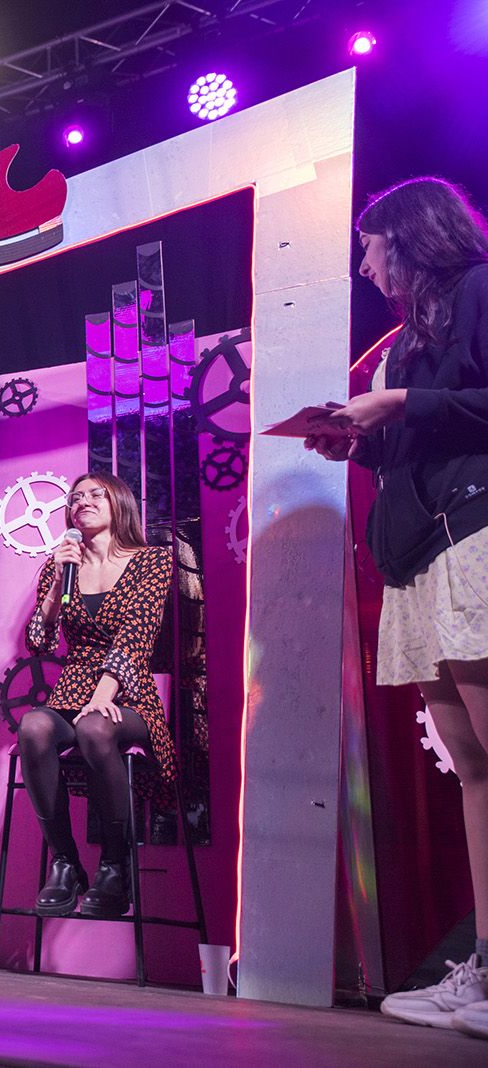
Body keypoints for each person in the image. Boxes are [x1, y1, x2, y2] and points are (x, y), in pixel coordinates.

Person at [305, 176, 488, 1037]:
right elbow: (415, 445)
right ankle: (485, 968)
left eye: (370, 244)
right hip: (422, 555)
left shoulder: (480, 292)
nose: (365, 264)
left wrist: (401, 403)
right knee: (473, 769)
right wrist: (360, 435)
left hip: (474, 536)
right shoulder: (407, 340)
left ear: (409, 237)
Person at [15, 473, 175, 920]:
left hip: (130, 693)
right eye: (75, 497)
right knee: (34, 725)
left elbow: (136, 636)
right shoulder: (59, 566)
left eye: (94, 494)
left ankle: (114, 866)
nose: (82, 501)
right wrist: (52, 589)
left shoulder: (152, 562)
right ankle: (65, 863)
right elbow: (39, 643)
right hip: (73, 690)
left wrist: (103, 696)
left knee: (94, 725)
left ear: (118, 502)